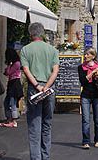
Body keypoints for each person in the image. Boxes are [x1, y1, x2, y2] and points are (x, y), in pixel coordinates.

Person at [20, 22, 59, 160]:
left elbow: (26, 70)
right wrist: (47, 86)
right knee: (47, 124)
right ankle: (45, 156)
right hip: (49, 89)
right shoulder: (52, 50)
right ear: (42, 33)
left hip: (34, 89)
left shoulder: (25, 50)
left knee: (34, 125)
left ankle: (36, 158)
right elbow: (55, 71)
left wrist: (37, 86)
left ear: (31, 34)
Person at [78, 48, 98, 149]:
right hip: (86, 95)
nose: (85, 56)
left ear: (93, 56)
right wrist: (92, 73)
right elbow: (83, 81)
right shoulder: (81, 67)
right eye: (85, 54)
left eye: (88, 54)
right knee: (85, 119)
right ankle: (86, 141)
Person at [0, 48, 23, 128]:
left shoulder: (16, 63)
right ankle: (9, 119)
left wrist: (9, 65)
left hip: (15, 84)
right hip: (11, 84)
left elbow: (8, 72)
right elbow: (6, 73)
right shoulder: (14, 63)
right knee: (6, 102)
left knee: (12, 103)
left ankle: (14, 121)